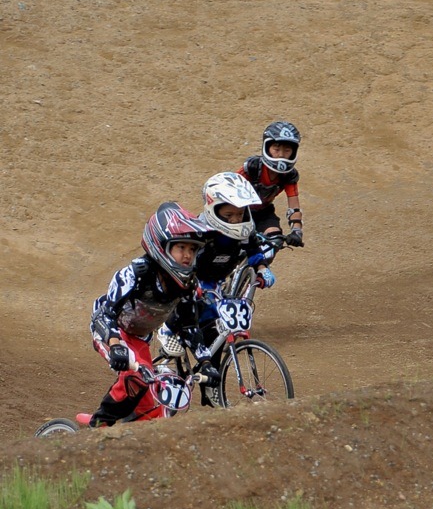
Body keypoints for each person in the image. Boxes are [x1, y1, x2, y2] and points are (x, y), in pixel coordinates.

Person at [80, 202, 220, 427]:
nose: (187, 255)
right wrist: (115, 345)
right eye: (181, 247)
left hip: (138, 338)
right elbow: (104, 314)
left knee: (152, 404)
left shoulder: (187, 285)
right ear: (161, 246)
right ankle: (97, 428)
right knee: (134, 379)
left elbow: (189, 327)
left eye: (192, 249)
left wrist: (205, 361)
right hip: (110, 330)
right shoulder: (136, 273)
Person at [158, 172, 276, 406]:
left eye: (240, 214)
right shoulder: (201, 233)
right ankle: (168, 329)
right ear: (214, 209)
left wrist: (262, 269)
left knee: (218, 333)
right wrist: (193, 287)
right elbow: (185, 261)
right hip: (190, 280)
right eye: (229, 215)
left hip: (215, 284)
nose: (235, 220)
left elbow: (254, 253)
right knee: (192, 311)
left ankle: (211, 386)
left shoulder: (245, 232)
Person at [236, 121, 305, 248]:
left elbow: (294, 207)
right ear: (267, 147)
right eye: (276, 149)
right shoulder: (252, 167)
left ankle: (261, 267)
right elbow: (230, 189)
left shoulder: (289, 176)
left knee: (275, 240)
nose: (281, 155)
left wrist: (297, 231)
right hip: (240, 212)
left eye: (287, 150)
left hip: (264, 213)